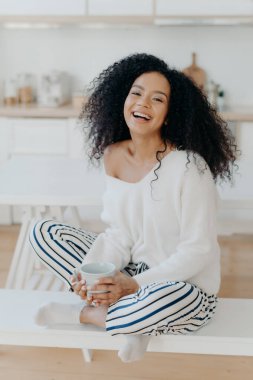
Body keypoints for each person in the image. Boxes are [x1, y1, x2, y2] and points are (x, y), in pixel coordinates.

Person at [29, 53, 237, 362]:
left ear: (169, 114)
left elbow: (199, 252)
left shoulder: (190, 167)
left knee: (165, 298)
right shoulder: (113, 155)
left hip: (184, 287)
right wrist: (90, 275)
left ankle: (88, 315)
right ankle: (130, 322)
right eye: (136, 93)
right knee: (43, 231)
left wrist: (133, 285)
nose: (143, 103)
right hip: (133, 273)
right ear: (122, 98)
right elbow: (119, 235)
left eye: (157, 99)